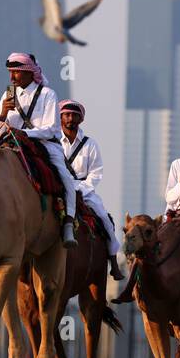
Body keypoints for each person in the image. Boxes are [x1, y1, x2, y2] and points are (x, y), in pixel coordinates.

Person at [0, 52, 77, 248]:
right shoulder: (8, 94)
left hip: (44, 145)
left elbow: (52, 128)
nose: (11, 78)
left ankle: (68, 224)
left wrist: (26, 134)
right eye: (10, 73)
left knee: (66, 179)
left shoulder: (47, 94)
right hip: (13, 144)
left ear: (29, 73)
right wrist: (4, 112)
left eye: (16, 73)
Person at [58, 100, 121, 279]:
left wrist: (80, 191)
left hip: (83, 190)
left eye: (74, 115)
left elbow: (96, 173)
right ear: (61, 117)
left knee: (104, 218)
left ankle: (113, 261)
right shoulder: (52, 140)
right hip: (58, 186)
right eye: (67, 115)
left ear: (81, 119)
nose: (70, 118)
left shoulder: (89, 144)